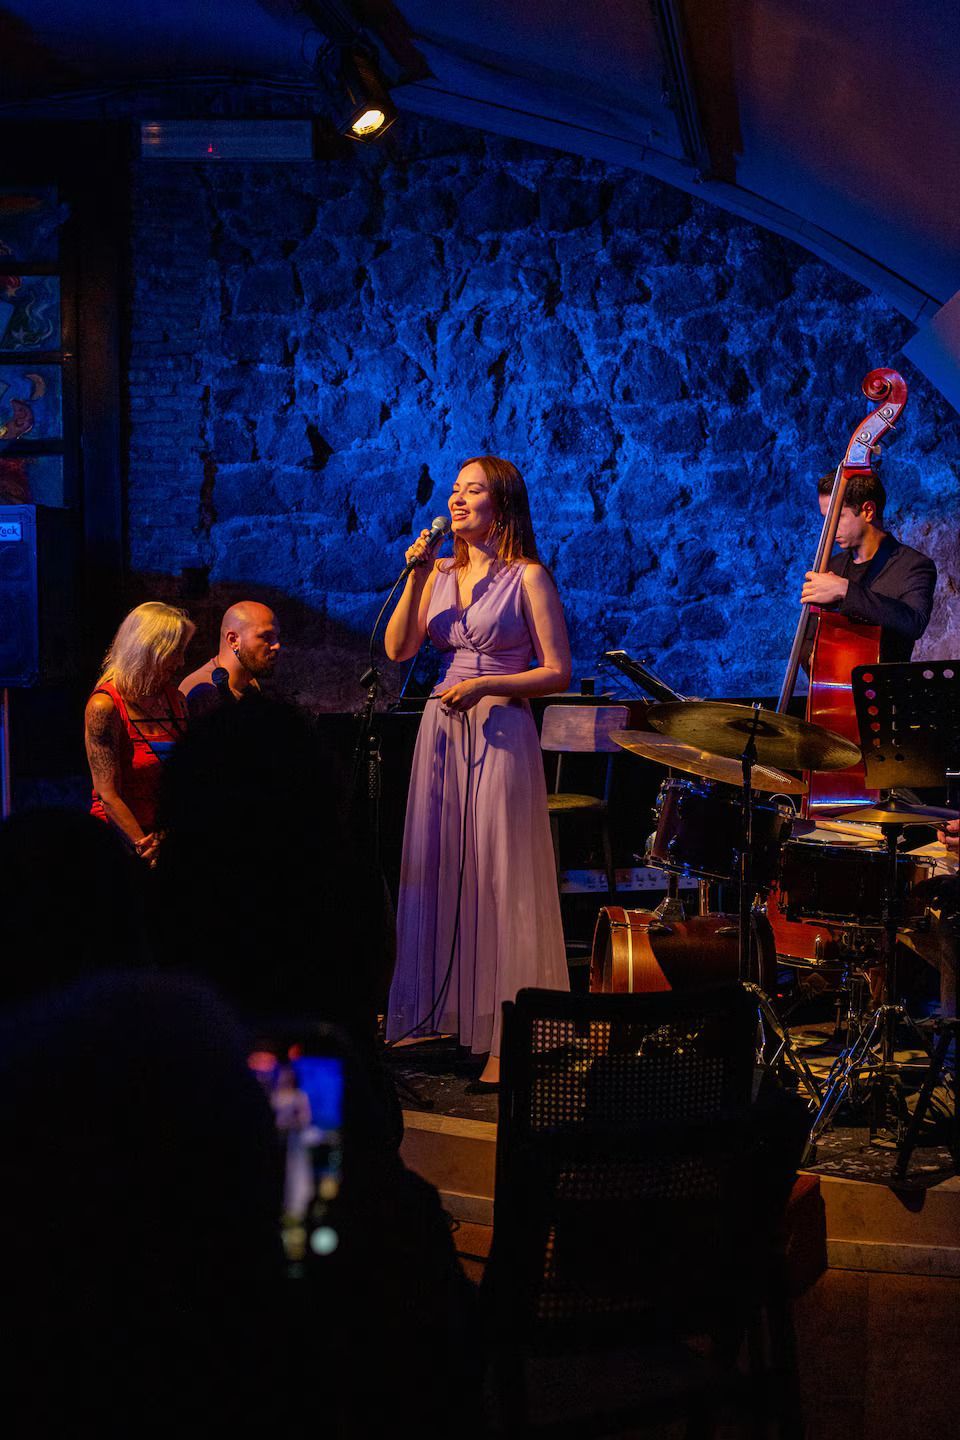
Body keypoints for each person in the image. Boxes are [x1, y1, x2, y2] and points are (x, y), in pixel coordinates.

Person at [384, 455, 572, 1089]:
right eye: (455, 490)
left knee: (497, 875)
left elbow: (558, 671)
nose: (457, 500)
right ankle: (447, 1016)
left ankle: (507, 1037)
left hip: (500, 729)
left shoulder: (528, 577)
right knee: (442, 866)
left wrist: (489, 683)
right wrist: (416, 575)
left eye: (473, 491)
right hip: (442, 727)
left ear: (503, 504)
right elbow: (398, 649)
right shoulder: (439, 571)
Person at [85, 601, 194, 863]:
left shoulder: (175, 701)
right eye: (175, 652)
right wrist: (144, 846)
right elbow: (108, 795)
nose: (181, 662)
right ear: (149, 650)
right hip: (119, 840)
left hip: (162, 837)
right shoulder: (105, 706)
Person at [800, 470, 936, 660]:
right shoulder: (833, 566)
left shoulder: (913, 565)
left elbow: (914, 623)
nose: (828, 528)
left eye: (837, 517)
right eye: (826, 519)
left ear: (868, 511)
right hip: (830, 680)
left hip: (886, 679)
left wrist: (846, 590)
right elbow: (809, 637)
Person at [179, 599, 281, 719]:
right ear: (233, 640)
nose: (277, 645)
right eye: (266, 637)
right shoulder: (204, 693)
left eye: (277, 637)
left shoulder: (249, 683)